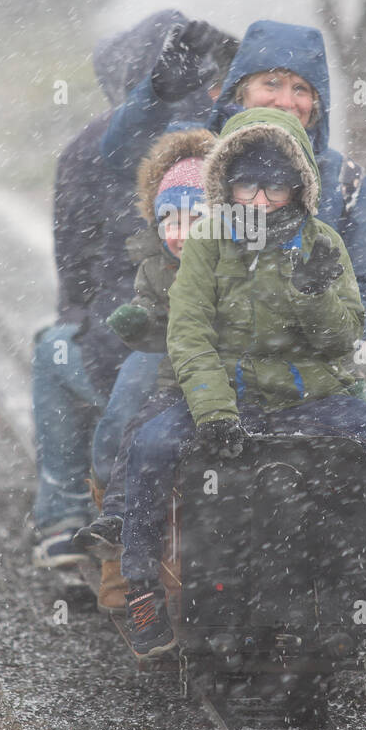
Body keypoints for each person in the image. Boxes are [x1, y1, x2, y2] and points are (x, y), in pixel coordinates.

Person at [117, 108, 366, 663]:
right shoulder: (209, 243)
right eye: (247, 185)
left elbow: (344, 337)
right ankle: (140, 589)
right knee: (149, 446)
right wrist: (214, 412)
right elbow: (189, 335)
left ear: (300, 188)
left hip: (314, 400)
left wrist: (313, 294)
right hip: (227, 402)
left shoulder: (323, 243)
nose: (259, 201)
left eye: (276, 188)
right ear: (226, 185)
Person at [30, 10, 236, 568]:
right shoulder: (234, 138)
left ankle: (64, 514)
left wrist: (78, 314)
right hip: (231, 337)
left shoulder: (92, 146)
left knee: (50, 351)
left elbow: (73, 259)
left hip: (136, 337)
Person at [101, 18, 366, 344]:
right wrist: (155, 94)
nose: (286, 101)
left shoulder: (342, 177)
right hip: (194, 351)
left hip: (304, 372)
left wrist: (319, 341)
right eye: (271, 83)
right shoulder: (195, 147)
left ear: (316, 103)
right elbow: (121, 157)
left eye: (301, 89)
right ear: (241, 90)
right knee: (134, 387)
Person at [71, 125, 216, 610]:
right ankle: (120, 544)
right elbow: (144, 305)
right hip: (174, 351)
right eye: (169, 218)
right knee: (126, 424)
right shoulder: (155, 259)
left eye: (194, 218)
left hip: (232, 358)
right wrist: (132, 328)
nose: (180, 229)